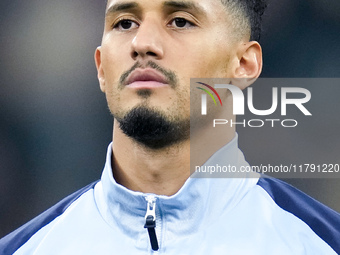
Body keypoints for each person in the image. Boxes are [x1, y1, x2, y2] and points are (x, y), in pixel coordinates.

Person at [1, 0, 340, 254]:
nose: (142, 42)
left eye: (180, 21)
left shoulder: (321, 243)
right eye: (124, 23)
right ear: (101, 67)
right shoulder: (25, 249)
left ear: (243, 64)